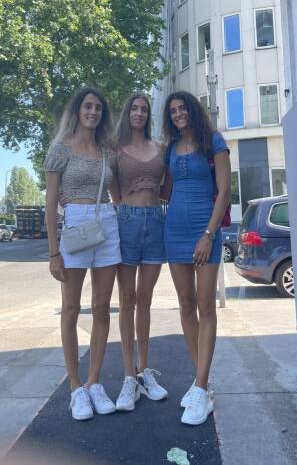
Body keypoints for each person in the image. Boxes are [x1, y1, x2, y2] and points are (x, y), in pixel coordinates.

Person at [44, 87, 122, 421]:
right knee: (71, 308)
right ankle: (75, 387)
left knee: (102, 307)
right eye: (88, 106)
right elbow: (50, 204)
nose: (93, 112)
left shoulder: (107, 151)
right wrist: (53, 253)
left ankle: (94, 382)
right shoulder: (60, 149)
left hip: (106, 224)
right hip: (75, 224)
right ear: (77, 110)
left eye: (98, 108)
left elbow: (117, 194)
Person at [161, 91, 231, 426]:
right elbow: (164, 190)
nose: (178, 114)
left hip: (205, 231)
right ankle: (200, 381)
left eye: (182, 108)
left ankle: (202, 387)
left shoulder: (213, 141)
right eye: (173, 111)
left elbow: (225, 191)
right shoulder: (171, 149)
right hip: (174, 231)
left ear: (192, 109)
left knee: (205, 305)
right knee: (186, 305)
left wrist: (208, 234)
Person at [110, 94, 168, 412]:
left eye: (144, 109)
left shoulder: (160, 148)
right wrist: (125, 211)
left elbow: (168, 186)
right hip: (127, 222)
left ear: (148, 115)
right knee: (127, 300)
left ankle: (144, 372)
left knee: (145, 300)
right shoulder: (116, 150)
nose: (139, 112)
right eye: (134, 108)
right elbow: (111, 188)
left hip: (156, 221)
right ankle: (128, 377)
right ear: (127, 112)